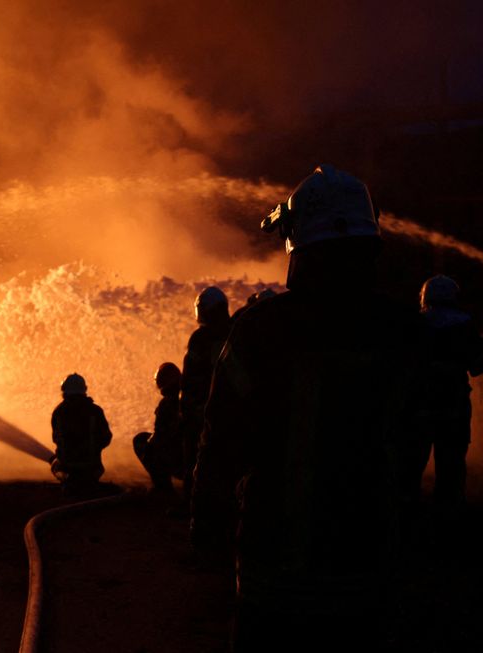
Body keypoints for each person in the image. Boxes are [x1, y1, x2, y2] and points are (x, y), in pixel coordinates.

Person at [192, 165, 424, 650]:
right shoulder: (401, 329)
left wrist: (208, 529)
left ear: (297, 241)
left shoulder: (259, 329)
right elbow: (413, 437)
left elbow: (221, 441)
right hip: (370, 566)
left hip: (273, 573)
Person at [414, 275, 483, 512]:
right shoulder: (465, 325)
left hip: (419, 408)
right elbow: (477, 366)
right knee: (451, 465)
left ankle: (409, 514)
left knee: (413, 463)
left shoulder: (415, 323)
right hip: (454, 408)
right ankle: (448, 513)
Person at [180, 286, 231, 505]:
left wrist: (188, 410)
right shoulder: (236, 333)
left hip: (203, 410)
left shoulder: (200, 339)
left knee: (195, 456)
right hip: (227, 409)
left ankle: (191, 504)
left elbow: (190, 378)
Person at [50, 373, 112, 496]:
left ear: (64, 391)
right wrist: (93, 449)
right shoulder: (95, 411)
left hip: (67, 468)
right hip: (93, 468)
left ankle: (68, 482)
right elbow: (106, 437)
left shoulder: (59, 412)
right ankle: (87, 483)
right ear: (84, 390)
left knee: (54, 462)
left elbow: (56, 438)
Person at [133, 362, 183, 494]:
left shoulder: (167, 404)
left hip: (180, 461)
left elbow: (160, 436)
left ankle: (163, 487)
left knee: (141, 441)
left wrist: (149, 449)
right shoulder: (191, 397)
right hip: (196, 461)